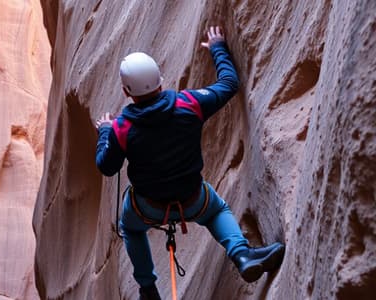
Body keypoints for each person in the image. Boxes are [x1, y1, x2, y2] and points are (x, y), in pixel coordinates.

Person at [94, 26, 286, 300]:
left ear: (127, 92)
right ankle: (241, 254)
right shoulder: (189, 104)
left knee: (130, 229)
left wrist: (105, 131)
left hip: (148, 207)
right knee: (217, 210)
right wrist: (218, 46)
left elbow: (106, 166)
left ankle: (148, 290)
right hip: (193, 199)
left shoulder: (121, 129)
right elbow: (229, 84)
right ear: (161, 81)